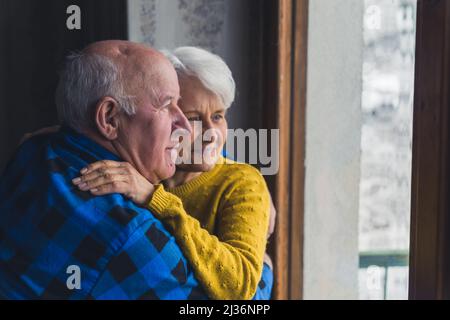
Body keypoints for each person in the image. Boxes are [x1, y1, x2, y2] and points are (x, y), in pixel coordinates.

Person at [0, 40, 270, 299]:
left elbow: (206, 154)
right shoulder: (133, 233)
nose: (186, 127)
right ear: (109, 117)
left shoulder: (34, 149)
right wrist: (266, 268)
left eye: (219, 115)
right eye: (168, 108)